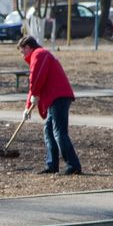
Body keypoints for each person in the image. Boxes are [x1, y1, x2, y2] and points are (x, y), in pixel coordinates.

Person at [18, 35, 82, 175]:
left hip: (59, 96)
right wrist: (27, 107)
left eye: (22, 52)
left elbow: (36, 78)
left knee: (59, 132)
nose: (22, 56)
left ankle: (73, 165)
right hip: (56, 97)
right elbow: (35, 84)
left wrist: (35, 95)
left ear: (28, 47)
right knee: (49, 130)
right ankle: (52, 165)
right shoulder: (40, 55)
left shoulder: (39, 54)